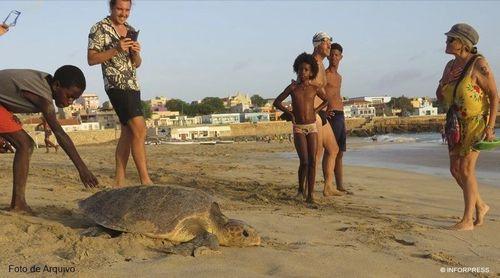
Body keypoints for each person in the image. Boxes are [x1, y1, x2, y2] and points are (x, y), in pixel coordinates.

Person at [0, 65, 99, 214]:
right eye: (69, 96)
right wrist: (82, 169)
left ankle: (18, 203)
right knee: (25, 145)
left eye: (74, 99)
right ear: (57, 85)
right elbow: (60, 134)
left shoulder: (43, 82)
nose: (70, 102)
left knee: (24, 143)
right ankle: (18, 204)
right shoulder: (44, 98)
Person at [436, 23, 497, 231]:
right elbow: (441, 95)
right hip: (455, 124)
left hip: (475, 123)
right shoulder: (450, 67)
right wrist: (441, 87)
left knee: (466, 169)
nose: (446, 42)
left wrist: (490, 127)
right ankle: (480, 205)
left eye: (450, 39)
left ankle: (467, 219)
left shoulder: (478, 64)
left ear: (463, 43)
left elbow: (494, 95)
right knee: (455, 169)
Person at [88, 0, 152, 187]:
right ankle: (145, 180)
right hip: (116, 85)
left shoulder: (130, 29)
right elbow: (91, 59)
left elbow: (136, 64)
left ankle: (119, 182)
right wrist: (116, 49)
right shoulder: (99, 28)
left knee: (127, 132)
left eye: (127, 10)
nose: (123, 13)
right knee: (140, 129)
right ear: (111, 8)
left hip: (133, 86)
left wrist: (136, 53)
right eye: (119, 9)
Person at [274, 53, 329, 203]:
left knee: (312, 161)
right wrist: (290, 113)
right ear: (296, 70)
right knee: (304, 161)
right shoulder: (293, 87)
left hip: (312, 126)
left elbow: (326, 101)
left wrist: (316, 111)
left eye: (306, 70)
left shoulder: (314, 87)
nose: (302, 72)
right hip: (298, 126)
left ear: (311, 72)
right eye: (300, 69)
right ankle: (300, 190)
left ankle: (310, 195)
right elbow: (277, 102)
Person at [309, 32, 343, 197]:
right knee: (316, 154)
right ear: (317, 44)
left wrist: (327, 102)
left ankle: (328, 187)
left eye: (330, 42)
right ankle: (308, 190)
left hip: (321, 113)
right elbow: (308, 86)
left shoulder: (320, 64)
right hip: (313, 114)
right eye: (326, 42)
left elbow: (320, 88)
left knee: (333, 148)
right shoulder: (312, 63)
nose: (329, 45)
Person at [325, 43, 348, 193]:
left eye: (336, 55)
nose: (334, 57)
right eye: (331, 54)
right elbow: (318, 93)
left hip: (340, 114)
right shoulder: (324, 74)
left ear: (341, 57)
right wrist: (323, 112)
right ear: (328, 56)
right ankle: (329, 185)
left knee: (340, 153)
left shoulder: (339, 77)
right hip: (331, 115)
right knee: (330, 151)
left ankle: (340, 185)